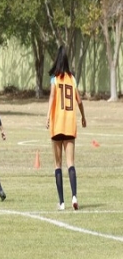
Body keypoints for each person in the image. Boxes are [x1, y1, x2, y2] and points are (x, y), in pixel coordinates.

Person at [46, 45, 86, 211]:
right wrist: (83, 116)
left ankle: (61, 202)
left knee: (57, 164)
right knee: (70, 163)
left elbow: (52, 97)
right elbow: (79, 101)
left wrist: (48, 117)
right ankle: (74, 196)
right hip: (70, 124)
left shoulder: (55, 79)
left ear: (57, 60)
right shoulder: (72, 79)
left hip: (57, 125)